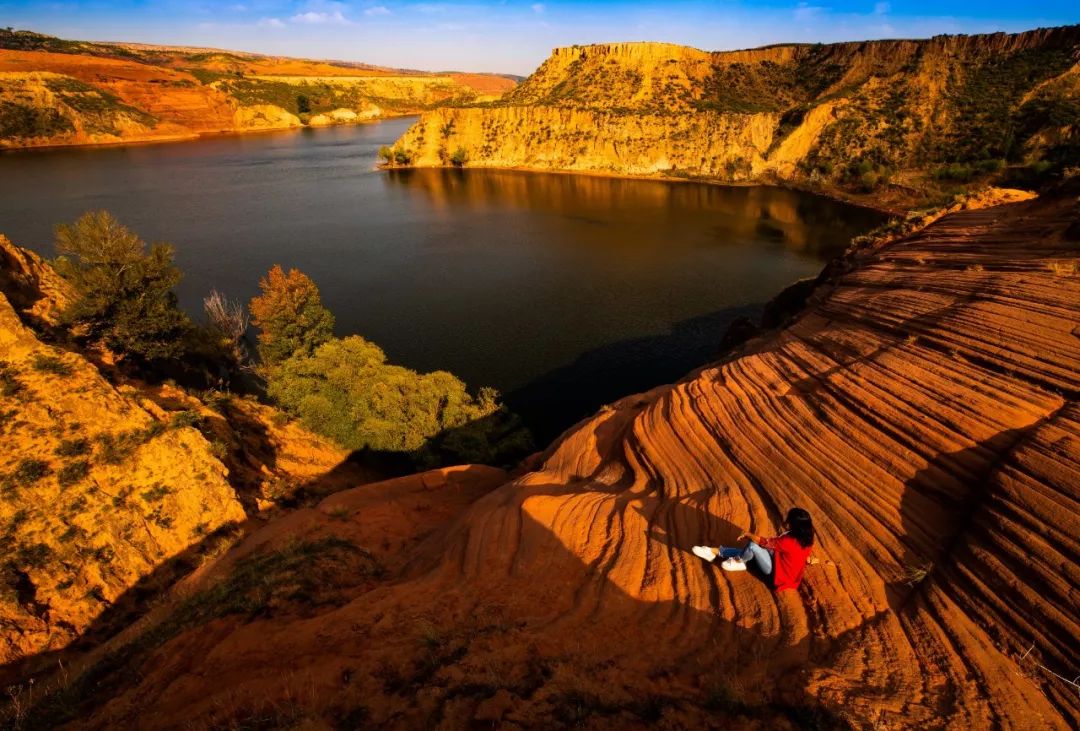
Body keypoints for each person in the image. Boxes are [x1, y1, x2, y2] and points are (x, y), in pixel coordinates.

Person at [691, 507, 815, 592]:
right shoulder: (807, 537)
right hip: (782, 566)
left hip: (776, 576)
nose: (787, 521)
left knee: (752, 546)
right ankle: (714, 551)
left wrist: (747, 534)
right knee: (755, 549)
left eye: (789, 520)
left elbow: (764, 542)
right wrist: (808, 559)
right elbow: (797, 553)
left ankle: (739, 561)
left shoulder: (789, 541)